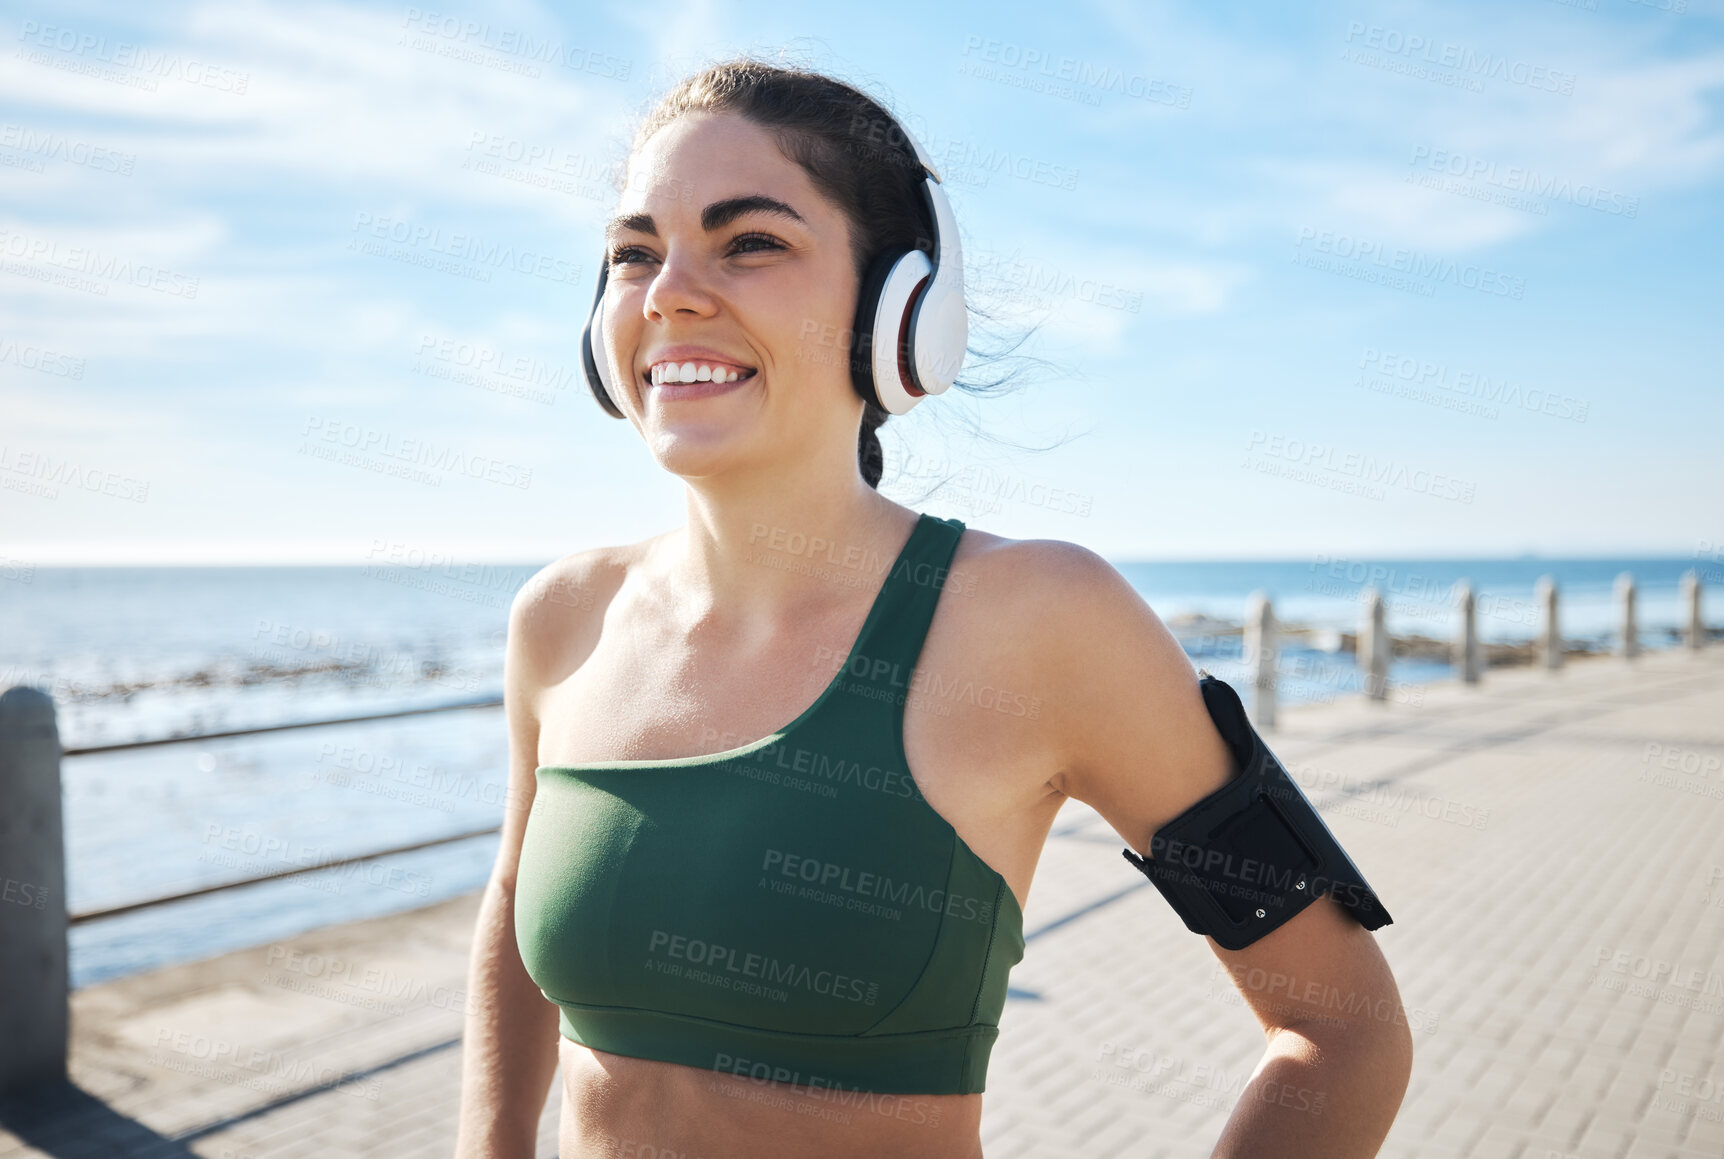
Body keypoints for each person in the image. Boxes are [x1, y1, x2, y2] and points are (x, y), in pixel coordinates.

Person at [454, 56, 1412, 1159]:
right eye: (633, 252)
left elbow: (1343, 1031)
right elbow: (514, 907)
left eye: (749, 241)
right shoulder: (562, 619)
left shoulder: (1040, 619)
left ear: (897, 308)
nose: (669, 289)